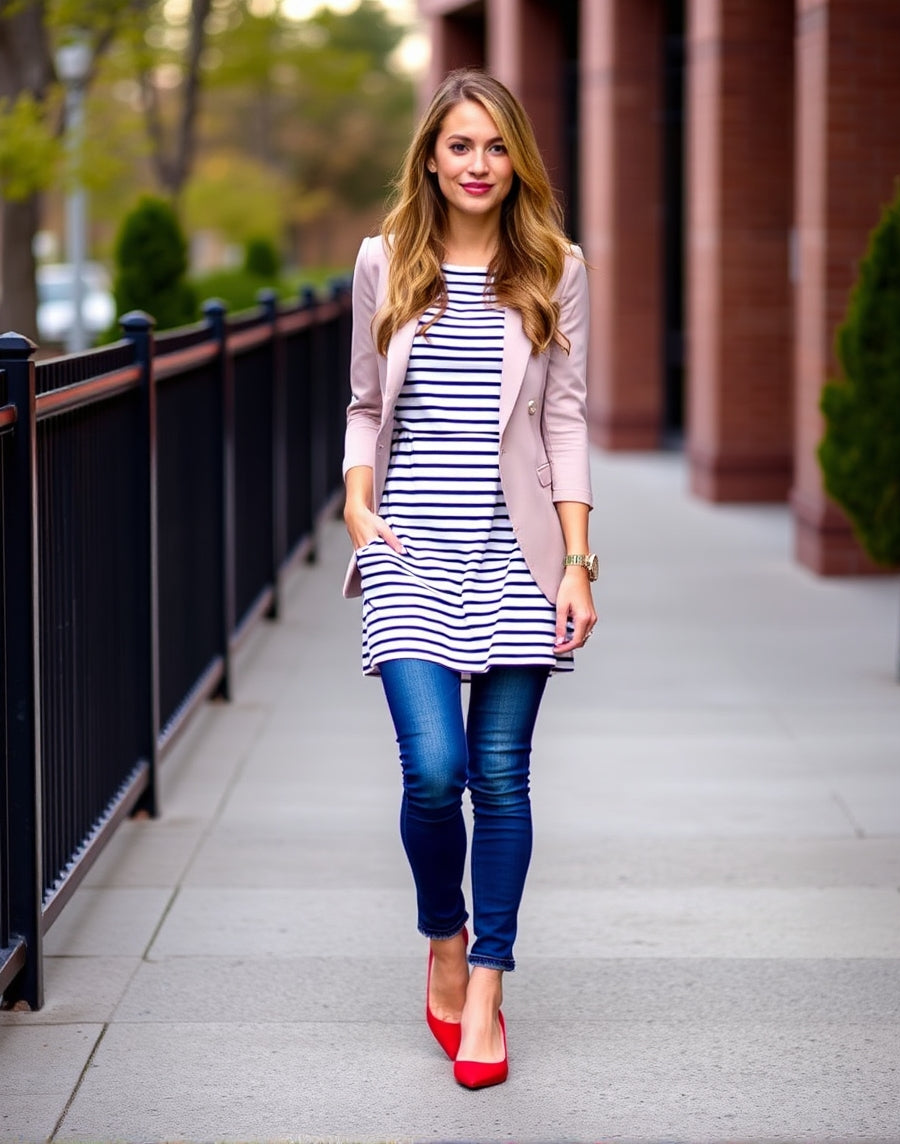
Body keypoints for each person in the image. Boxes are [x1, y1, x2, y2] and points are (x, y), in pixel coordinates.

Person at [341, 68, 596, 1089]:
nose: (478, 165)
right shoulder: (385, 260)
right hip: (408, 549)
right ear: (433, 158)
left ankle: (487, 978)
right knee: (434, 770)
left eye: (495, 146)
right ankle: (442, 937)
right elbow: (366, 405)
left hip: (516, 555)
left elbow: (565, 419)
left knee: (500, 775)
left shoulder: (556, 266)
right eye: (460, 145)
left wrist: (577, 563)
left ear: (516, 159)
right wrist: (357, 501)